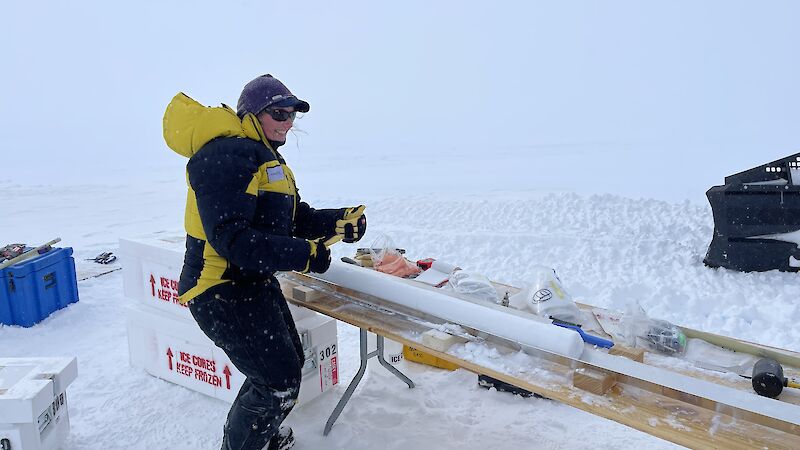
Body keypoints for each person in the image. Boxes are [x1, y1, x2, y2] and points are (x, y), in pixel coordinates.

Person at [162, 74, 367, 450]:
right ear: (252, 113)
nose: (288, 122)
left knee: (284, 369)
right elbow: (232, 239)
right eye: (279, 113)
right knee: (276, 382)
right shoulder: (225, 154)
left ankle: (261, 437)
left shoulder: (264, 156)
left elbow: (291, 219)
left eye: (292, 115)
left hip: (251, 281)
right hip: (220, 287)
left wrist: (336, 221)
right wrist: (304, 255)